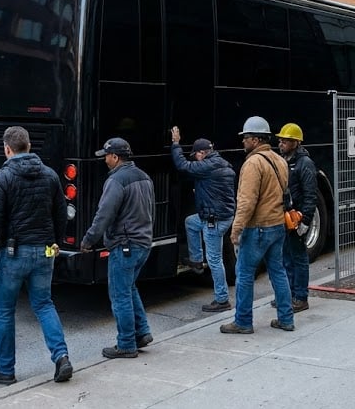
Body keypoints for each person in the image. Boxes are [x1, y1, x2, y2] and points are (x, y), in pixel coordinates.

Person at [0, 126, 72, 385]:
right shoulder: (50, 175)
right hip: (44, 250)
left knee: (5, 311)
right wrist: (56, 242)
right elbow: (61, 213)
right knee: (44, 304)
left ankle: (6, 370)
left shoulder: (2, 178)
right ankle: (61, 357)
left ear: (7, 149)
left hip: (14, 252)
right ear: (29, 146)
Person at [81, 137, 155, 359]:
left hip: (124, 245)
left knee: (120, 294)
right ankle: (142, 332)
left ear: (115, 156)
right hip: (143, 243)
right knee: (130, 288)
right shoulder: (144, 176)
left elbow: (105, 213)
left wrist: (88, 239)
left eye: (106, 156)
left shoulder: (116, 181)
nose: (104, 160)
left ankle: (126, 344)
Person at [220, 116, 295, 335]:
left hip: (258, 227)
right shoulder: (279, 160)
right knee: (278, 272)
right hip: (277, 225)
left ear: (254, 139)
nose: (243, 142)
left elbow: (246, 201)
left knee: (244, 274)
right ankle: (286, 318)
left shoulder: (253, 163)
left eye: (245, 138)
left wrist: (236, 229)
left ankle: (243, 321)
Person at [170, 126, 237, 312]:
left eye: (195, 155)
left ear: (202, 153)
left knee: (215, 260)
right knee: (191, 222)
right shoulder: (222, 163)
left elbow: (182, 165)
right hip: (221, 216)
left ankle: (222, 300)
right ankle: (196, 260)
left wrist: (176, 143)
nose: (195, 158)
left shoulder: (208, 166)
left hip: (214, 220)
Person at [275, 122, 318, 313]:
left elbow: (311, 195)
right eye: (281, 140)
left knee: (299, 258)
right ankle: (290, 295)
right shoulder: (284, 160)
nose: (281, 143)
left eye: (286, 141)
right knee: (286, 258)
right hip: (285, 218)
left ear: (296, 143)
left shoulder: (304, 164)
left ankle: (301, 298)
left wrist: (305, 222)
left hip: (296, 219)